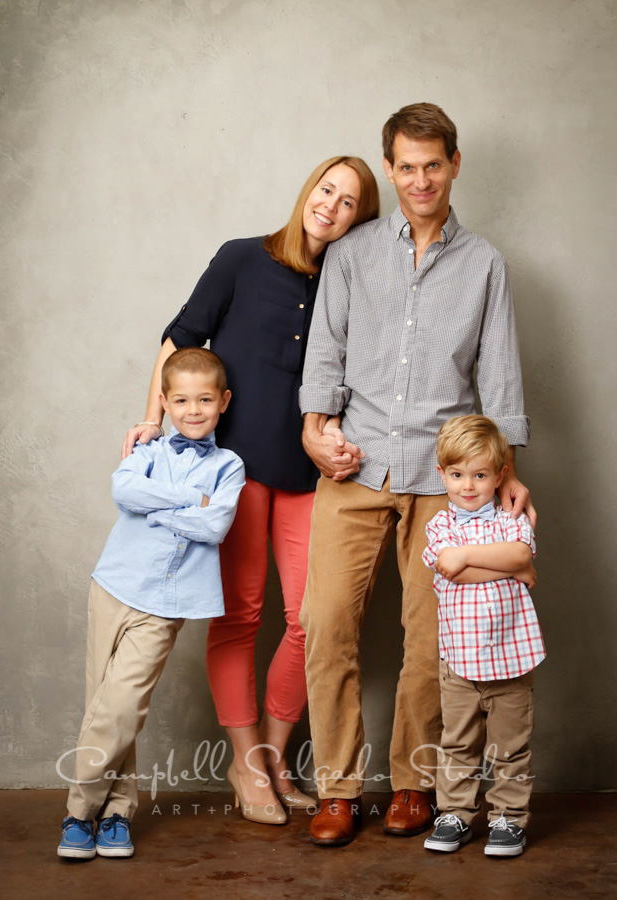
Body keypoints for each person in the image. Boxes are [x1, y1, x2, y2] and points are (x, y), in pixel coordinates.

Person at [299, 102, 536, 846]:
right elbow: (325, 354)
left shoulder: (484, 264)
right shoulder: (352, 253)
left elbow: (497, 376)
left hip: (447, 482)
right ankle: (335, 790)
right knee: (324, 624)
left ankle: (414, 783)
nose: (419, 178)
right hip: (356, 464)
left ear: (453, 164)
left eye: (433, 164)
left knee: (431, 641)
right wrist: (314, 429)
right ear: (391, 168)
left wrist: (506, 472)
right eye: (405, 165)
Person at [121, 158, 380, 824]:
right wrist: (152, 419)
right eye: (326, 189)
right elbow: (181, 338)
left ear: (360, 218)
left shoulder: (351, 282)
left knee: (307, 620)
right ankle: (243, 764)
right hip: (230, 473)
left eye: (348, 201)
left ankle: (270, 753)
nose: (331, 205)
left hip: (306, 475)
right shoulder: (241, 259)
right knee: (240, 616)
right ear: (307, 191)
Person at [58, 348, 245, 859]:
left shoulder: (229, 467)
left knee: (121, 707)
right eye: (180, 400)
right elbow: (124, 492)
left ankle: (78, 813)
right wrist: (189, 501)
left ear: (223, 402)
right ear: (163, 402)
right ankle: (116, 815)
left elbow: (216, 526)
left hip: (168, 601)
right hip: (114, 585)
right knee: (104, 706)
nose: (192, 410)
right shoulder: (147, 449)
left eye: (204, 399)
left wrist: (160, 505)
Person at [422, 415, 545, 857]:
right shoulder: (438, 528)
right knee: (458, 742)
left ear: (499, 476)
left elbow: (514, 553)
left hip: (511, 658)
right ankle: (454, 812)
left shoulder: (511, 519)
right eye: (457, 475)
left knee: (511, 746)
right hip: (460, 660)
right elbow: (448, 568)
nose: (468, 486)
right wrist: (514, 569)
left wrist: (471, 556)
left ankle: (509, 820)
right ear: (443, 475)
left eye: (479, 475)